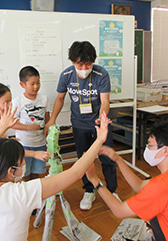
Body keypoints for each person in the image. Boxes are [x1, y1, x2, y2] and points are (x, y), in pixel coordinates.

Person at [0, 103, 112, 241]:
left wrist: (2, 128)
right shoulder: (21, 194)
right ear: (11, 171)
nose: (24, 165)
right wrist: (99, 140)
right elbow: (75, 173)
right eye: (22, 162)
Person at [86, 121, 168, 241]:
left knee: (151, 210)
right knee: (152, 209)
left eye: (150, 145)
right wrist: (118, 159)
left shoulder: (161, 187)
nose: (147, 149)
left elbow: (119, 211)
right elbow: (139, 186)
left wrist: (94, 180)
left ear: (165, 150)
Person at [45, 41, 118, 210]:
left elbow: (105, 101)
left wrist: (102, 117)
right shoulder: (67, 75)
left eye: (88, 63)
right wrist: (52, 119)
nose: (85, 68)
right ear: (72, 61)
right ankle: (89, 190)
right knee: (84, 159)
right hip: (79, 124)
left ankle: (112, 191)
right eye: (80, 64)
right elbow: (60, 98)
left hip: (100, 124)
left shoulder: (101, 74)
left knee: (107, 157)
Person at [0, 82, 50, 162]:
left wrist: (10, 139)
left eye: (10, 101)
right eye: (6, 102)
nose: (10, 105)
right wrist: (34, 154)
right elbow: (7, 149)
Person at [12, 66, 50, 181]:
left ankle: (37, 196)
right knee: (25, 174)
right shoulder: (17, 101)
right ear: (22, 85)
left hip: (40, 144)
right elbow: (11, 123)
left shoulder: (44, 98)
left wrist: (48, 132)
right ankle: (28, 197)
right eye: (32, 84)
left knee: (38, 173)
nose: (36, 86)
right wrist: (29, 127)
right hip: (24, 145)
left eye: (38, 83)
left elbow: (47, 119)